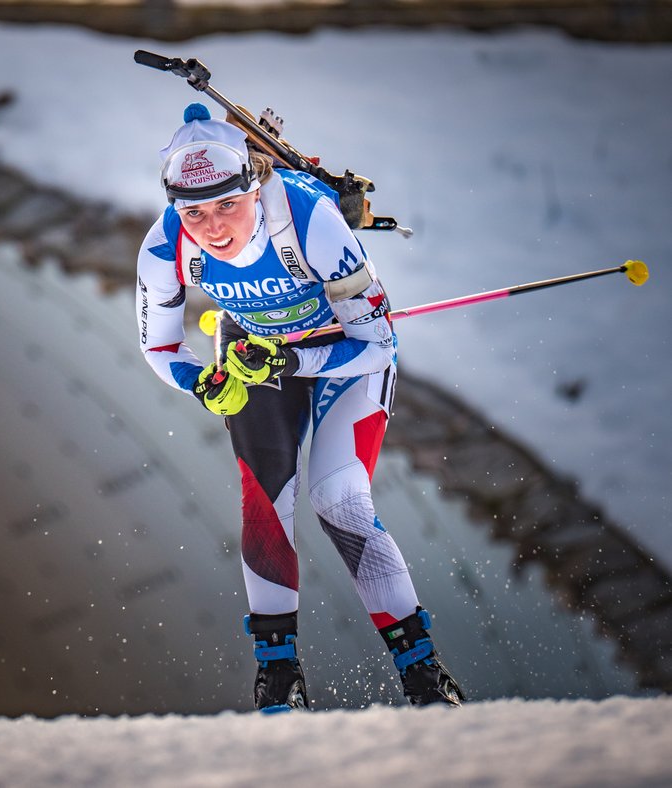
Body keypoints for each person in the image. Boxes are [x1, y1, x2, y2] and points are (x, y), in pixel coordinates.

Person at [135, 103, 464, 711]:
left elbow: (379, 344)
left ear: (253, 186)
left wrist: (295, 362)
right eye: (194, 211)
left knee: (337, 497)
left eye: (227, 205)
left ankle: (423, 674)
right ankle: (279, 680)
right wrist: (204, 382)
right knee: (265, 499)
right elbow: (158, 347)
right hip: (254, 351)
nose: (212, 227)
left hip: (342, 351)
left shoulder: (308, 219)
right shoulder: (163, 247)